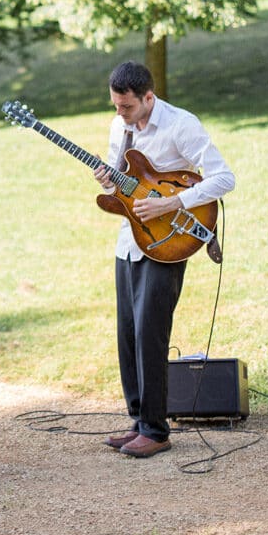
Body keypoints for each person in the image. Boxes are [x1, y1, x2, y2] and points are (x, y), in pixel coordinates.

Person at [93, 61, 235, 458]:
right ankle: (138, 420)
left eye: (127, 107)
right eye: (116, 106)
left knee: (150, 334)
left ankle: (157, 432)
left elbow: (223, 178)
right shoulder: (118, 126)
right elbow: (117, 179)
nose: (120, 114)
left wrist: (173, 201)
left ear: (148, 98)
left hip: (169, 238)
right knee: (127, 334)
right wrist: (107, 179)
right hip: (130, 239)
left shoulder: (180, 125)